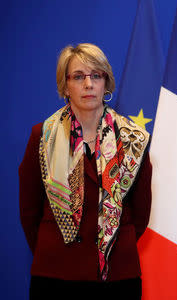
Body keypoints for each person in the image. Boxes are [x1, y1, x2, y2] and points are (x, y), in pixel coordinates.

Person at [19, 43, 152, 299]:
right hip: (56, 271)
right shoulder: (42, 136)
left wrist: (109, 238)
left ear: (106, 83)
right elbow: (29, 210)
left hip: (118, 274)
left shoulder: (133, 139)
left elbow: (141, 213)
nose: (88, 84)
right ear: (65, 86)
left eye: (96, 75)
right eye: (78, 76)